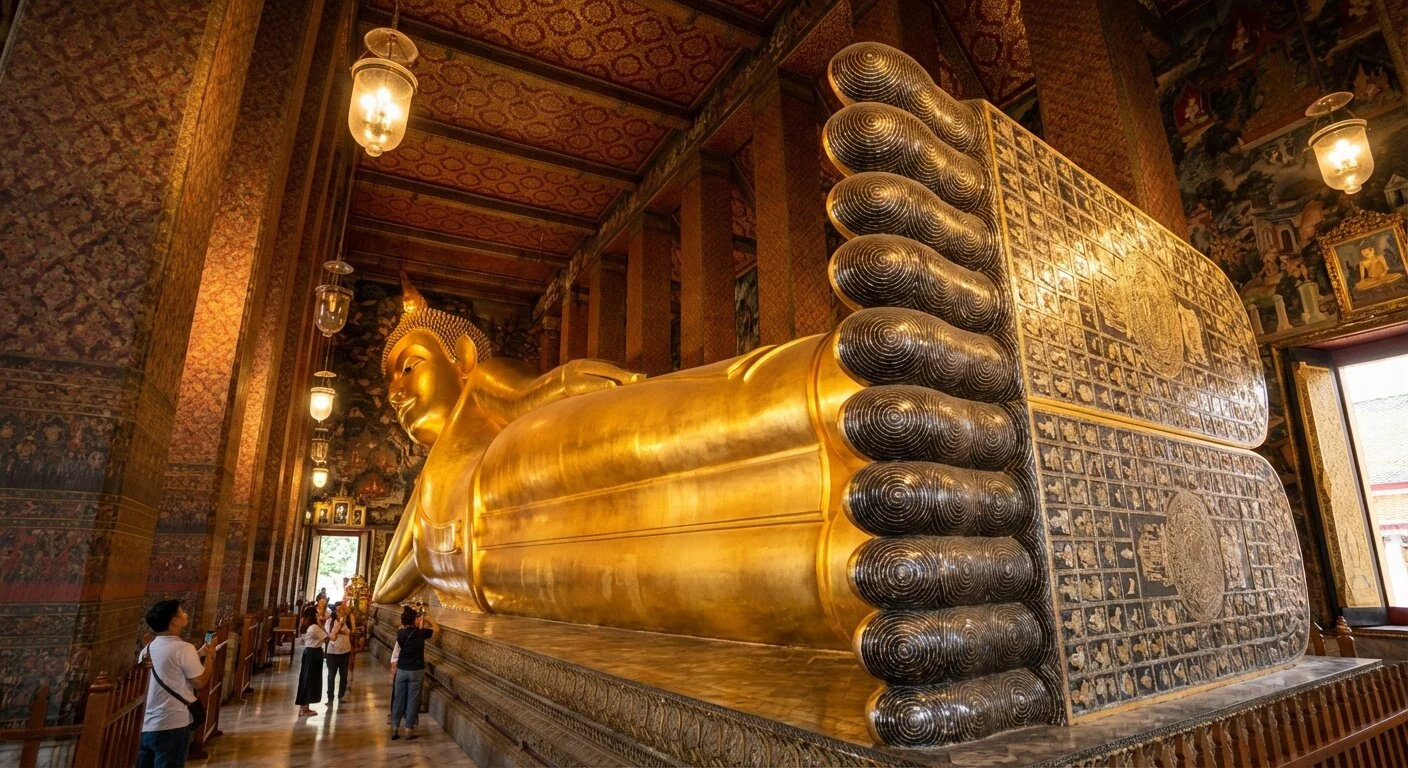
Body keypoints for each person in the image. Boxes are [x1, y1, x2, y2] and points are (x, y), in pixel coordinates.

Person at [137, 600, 214, 768]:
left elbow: (170, 667)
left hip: (146, 725)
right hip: (172, 723)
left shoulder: (146, 651)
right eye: (181, 612)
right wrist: (210, 657)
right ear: (174, 621)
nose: (186, 614)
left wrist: (198, 653)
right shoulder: (183, 648)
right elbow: (200, 682)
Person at [390, 605, 438, 740]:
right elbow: (436, 630)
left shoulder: (400, 633)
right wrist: (429, 619)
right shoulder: (421, 633)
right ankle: (408, 730)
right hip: (416, 671)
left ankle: (394, 729)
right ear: (413, 620)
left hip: (401, 670)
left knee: (398, 699)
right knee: (412, 700)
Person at [294, 605, 328, 717]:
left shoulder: (311, 626)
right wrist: (320, 624)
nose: (319, 615)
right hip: (313, 654)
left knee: (308, 679)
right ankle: (304, 708)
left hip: (311, 654)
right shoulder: (314, 627)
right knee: (309, 680)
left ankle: (304, 707)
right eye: (317, 614)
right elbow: (327, 638)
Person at [324, 601, 355, 709]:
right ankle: (330, 698)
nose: (340, 612)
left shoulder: (347, 621)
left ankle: (341, 696)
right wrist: (341, 627)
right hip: (332, 652)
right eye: (338, 610)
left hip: (345, 651)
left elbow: (350, 631)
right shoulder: (330, 621)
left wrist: (343, 627)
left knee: (343, 674)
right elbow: (331, 634)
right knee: (331, 675)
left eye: (342, 610)